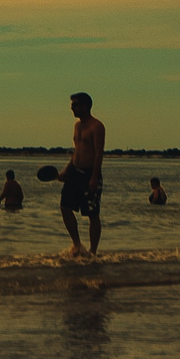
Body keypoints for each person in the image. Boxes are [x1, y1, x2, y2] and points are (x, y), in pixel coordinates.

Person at [60, 92, 106, 256]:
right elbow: (77, 152)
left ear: (85, 106)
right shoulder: (77, 126)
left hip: (89, 174)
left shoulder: (97, 126)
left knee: (92, 214)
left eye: (75, 105)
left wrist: (94, 177)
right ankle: (77, 245)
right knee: (65, 207)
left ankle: (93, 252)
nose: (72, 108)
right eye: (72, 105)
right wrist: (67, 170)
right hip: (75, 173)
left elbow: (98, 154)